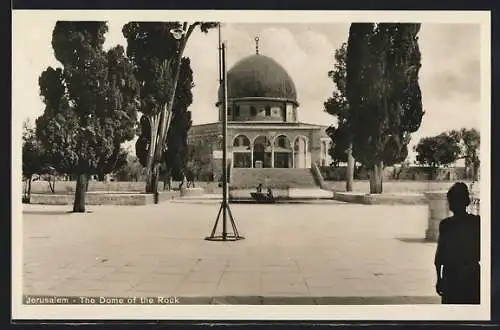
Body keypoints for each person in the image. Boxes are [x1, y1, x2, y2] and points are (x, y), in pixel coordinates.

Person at [434, 182, 480, 304]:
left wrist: (439, 278)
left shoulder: (446, 225)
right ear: (467, 201)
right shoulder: (476, 222)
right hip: (472, 275)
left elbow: (440, 256)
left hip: (452, 276)